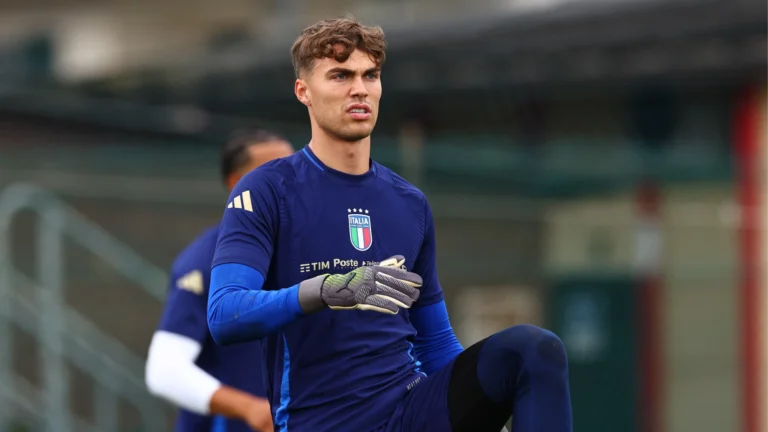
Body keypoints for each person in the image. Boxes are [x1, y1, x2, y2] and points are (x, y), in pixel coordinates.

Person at [207, 18, 572, 432]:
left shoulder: (409, 202)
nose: (359, 89)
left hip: (410, 410)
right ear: (303, 91)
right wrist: (325, 289)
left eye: (370, 75)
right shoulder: (267, 189)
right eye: (340, 76)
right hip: (324, 422)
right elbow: (225, 314)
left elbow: (435, 341)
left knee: (533, 348)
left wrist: (484, 415)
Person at [146, 130, 294, 432]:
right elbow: (164, 370)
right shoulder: (204, 262)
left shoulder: (312, 250)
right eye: (272, 173)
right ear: (236, 184)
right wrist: (250, 409)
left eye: (293, 171)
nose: (288, 183)